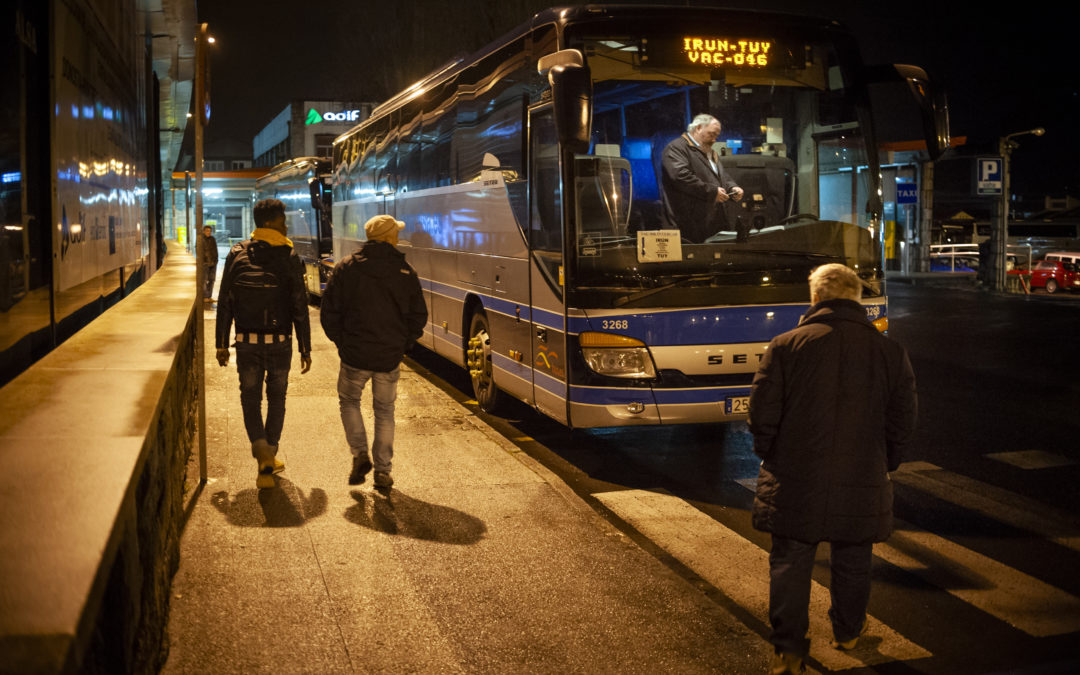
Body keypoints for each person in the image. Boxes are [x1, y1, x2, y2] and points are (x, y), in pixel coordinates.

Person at [748, 263, 917, 675]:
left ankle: (789, 651)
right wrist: (885, 461)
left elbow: (762, 413)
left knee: (790, 561)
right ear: (857, 299)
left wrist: (771, 453)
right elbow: (903, 419)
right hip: (862, 472)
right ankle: (848, 633)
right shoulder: (889, 352)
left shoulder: (786, 345)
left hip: (794, 474)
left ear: (815, 298)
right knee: (854, 559)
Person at [320, 214, 427, 489]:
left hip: (354, 354)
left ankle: (359, 454)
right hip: (388, 356)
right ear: (389, 237)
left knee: (349, 401)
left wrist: (342, 342)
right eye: (396, 233)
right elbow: (418, 316)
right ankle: (383, 471)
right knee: (385, 411)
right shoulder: (405, 271)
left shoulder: (346, 267)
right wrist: (403, 344)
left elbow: (329, 311)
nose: (398, 237)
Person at [215, 199, 312, 489]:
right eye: (283, 221)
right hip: (280, 342)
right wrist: (305, 348)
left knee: (250, 399)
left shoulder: (237, 252)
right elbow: (299, 305)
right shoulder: (288, 255)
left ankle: (261, 452)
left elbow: (225, 301)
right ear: (270, 222)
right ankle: (269, 452)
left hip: (246, 341)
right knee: (277, 399)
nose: (286, 226)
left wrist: (221, 344)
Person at [660, 113, 744, 243]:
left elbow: (720, 175)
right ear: (698, 128)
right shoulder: (676, 148)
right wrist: (712, 192)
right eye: (712, 134)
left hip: (710, 224)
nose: (714, 139)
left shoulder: (709, 152)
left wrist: (732, 187)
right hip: (689, 227)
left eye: (717, 135)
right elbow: (681, 177)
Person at [201, 225, 218, 302]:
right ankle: (205, 296)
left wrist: (216, 260)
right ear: (203, 231)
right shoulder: (201, 240)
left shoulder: (212, 239)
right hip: (205, 263)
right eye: (207, 231)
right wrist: (203, 262)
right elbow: (199, 252)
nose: (209, 232)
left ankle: (209, 296)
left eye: (210, 231)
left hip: (213, 263)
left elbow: (215, 250)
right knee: (204, 280)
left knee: (212, 280)